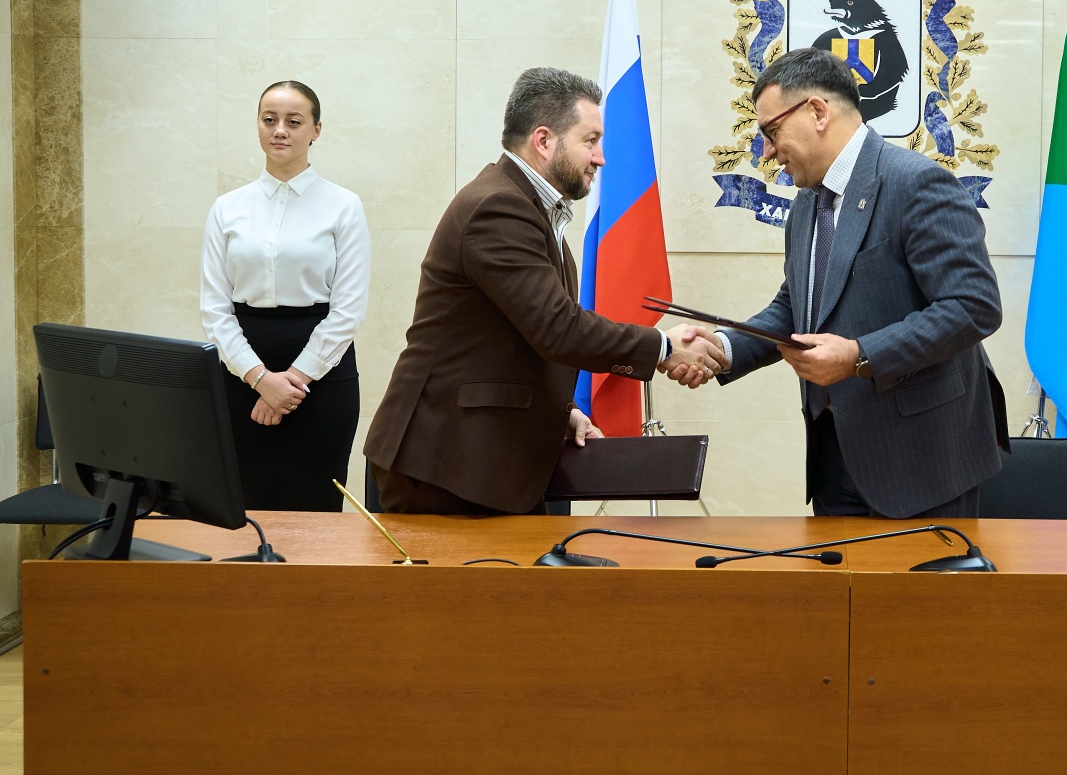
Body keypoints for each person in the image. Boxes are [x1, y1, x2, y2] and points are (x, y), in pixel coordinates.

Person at [364, 67, 723, 515]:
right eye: (590, 140)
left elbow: (514, 339)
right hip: (445, 463)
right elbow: (558, 328)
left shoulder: (531, 208)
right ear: (544, 141)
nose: (601, 158)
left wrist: (560, 412)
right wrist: (664, 347)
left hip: (484, 460)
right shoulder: (498, 208)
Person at [711, 47, 1007, 519]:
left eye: (771, 132)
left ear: (817, 111)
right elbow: (797, 307)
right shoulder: (807, 204)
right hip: (835, 457)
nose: (765, 152)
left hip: (924, 461)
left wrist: (858, 355)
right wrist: (722, 348)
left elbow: (972, 306)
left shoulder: (917, 183)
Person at [201, 80, 371, 512]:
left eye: (294, 122)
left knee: (316, 508)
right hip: (241, 371)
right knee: (243, 506)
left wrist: (292, 381)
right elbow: (215, 310)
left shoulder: (344, 205)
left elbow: (348, 311)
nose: (280, 130)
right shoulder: (227, 208)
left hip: (322, 374)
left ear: (316, 130)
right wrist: (260, 380)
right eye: (269, 119)